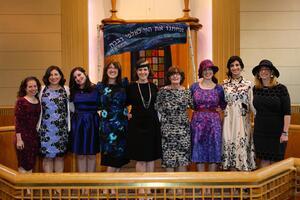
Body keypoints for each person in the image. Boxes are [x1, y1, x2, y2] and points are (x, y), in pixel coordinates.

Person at [252, 59, 291, 168]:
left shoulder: (281, 89)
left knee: (275, 162)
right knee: (263, 160)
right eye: (261, 69)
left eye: (267, 69)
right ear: (258, 73)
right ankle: (264, 186)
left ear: (272, 72)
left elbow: (287, 113)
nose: (264, 71)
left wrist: (285, 132)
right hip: (260, 131)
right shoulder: (255, 89)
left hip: (277, 131)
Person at [190, 59, 227, 172]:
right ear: (201, 72)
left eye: (210, 69)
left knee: (214, 152)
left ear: (213, 72)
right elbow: (190, 104)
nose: (207, 72)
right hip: (198, 123)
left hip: (214, 124)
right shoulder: (194, 87)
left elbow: (223, 104)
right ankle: (202, 185)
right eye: (205, 69)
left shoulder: (219, 88)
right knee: (199, 152)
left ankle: (210, 186)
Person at [126, 59, 161, 176]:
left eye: (145, 69)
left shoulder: (153, 87)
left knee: (151, 158)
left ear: (148, 71)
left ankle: (149, 187)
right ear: (136, 71)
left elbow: (159, 104)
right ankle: (141, 190)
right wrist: (126, 113)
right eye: (140, 70)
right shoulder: (131, 87)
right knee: (140, 158)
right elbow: (122, 103)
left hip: (152, 124)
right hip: (137, 125)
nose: (143, 72)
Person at [222, 56, 256, 171]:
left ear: (241, 67)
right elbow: (220, 103)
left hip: (242, 121)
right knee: (230, 144)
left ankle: (243, 184)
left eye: (237, 65)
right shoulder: (224, 84)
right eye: (232, 65)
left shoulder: (248, 84)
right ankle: (233, 185)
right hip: (228, 121)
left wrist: (260, 118)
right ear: (229, 68)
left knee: (242, 147)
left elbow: (252, 104)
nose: (235, 67)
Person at [155, 66, 192, 173]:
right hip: (167, 130)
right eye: (172, 74)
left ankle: (180, 189)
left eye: (177, 74)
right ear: (169, 77)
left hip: (183, 130)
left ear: (181, 77)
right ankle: (171, 189)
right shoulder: (162, 91)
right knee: (169, 159)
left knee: (182, 159)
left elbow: (194, 107)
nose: (175, 76)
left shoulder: (187, 92)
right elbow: (157, 108)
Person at [37, 66, 70, 174]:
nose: (53, 77)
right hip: (46, 130)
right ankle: (49, 184)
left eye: (56, 74)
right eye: (51, 74)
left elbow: (72, 107)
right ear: (47, 77)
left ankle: (58, 187)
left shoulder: (66, 89)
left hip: (61, 130)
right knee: (47, 157)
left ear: (60, 76)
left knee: (59, 157)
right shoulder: (42, 89)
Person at [98, 61, 129, 172]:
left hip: (121, 125)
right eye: (110, 68)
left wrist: (131, 112)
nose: (112, 70)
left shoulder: (124, 84)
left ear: (118, 71)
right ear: (106, 71)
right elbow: (96, 104)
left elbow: (132, 100)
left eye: (115, 68)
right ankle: (107, 188)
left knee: (119, 158)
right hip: (107, 126)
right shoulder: (100, 86)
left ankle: (113, 187)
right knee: (111, 158)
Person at [69, 67, 100, 174]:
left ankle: (90, 184)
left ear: (85, 74)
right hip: (78, 123)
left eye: (79, 74)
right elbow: (70, 108)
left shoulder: (96, 88)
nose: (78, 78)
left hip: (93, 122)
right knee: (81, 154)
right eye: (75, 77)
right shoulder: (73, 91)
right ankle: (82, 185)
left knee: (91, 154)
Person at [15, 76, 41, 174]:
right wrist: (19, 139)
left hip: (34, 137)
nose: (33, 88)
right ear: (25, 88)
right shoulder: (21, 101)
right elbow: (18, 121)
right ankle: (24, 189)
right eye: (30, 87)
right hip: (23, 137)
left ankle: (29, 189)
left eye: (35, 86)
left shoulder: (38, 101)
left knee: (31, 164)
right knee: (23, 164)